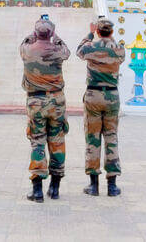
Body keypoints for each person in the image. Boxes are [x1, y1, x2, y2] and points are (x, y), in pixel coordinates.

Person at [20, 14, 71, 202]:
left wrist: (34, 34)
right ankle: (55, 187)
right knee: (57, 141)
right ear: (51, 32)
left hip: (36, 102)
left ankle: (37, 189)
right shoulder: (58, 51)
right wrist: (55, 36)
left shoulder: (27, 50)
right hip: (56, 102)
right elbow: (67, 51)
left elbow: (25, 42)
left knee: (37, 142)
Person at [76, 15, 127, 196]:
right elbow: (118, 51)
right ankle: (112, 185)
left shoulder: (91, 47)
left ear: (98, 31)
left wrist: (90, 34)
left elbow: (79, 51)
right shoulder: (118, 49)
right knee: (111, 137)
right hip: (112, 96)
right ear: (112, 32)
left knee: (93, 138)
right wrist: (109, 37)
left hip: (93, 95)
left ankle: (93, 184)